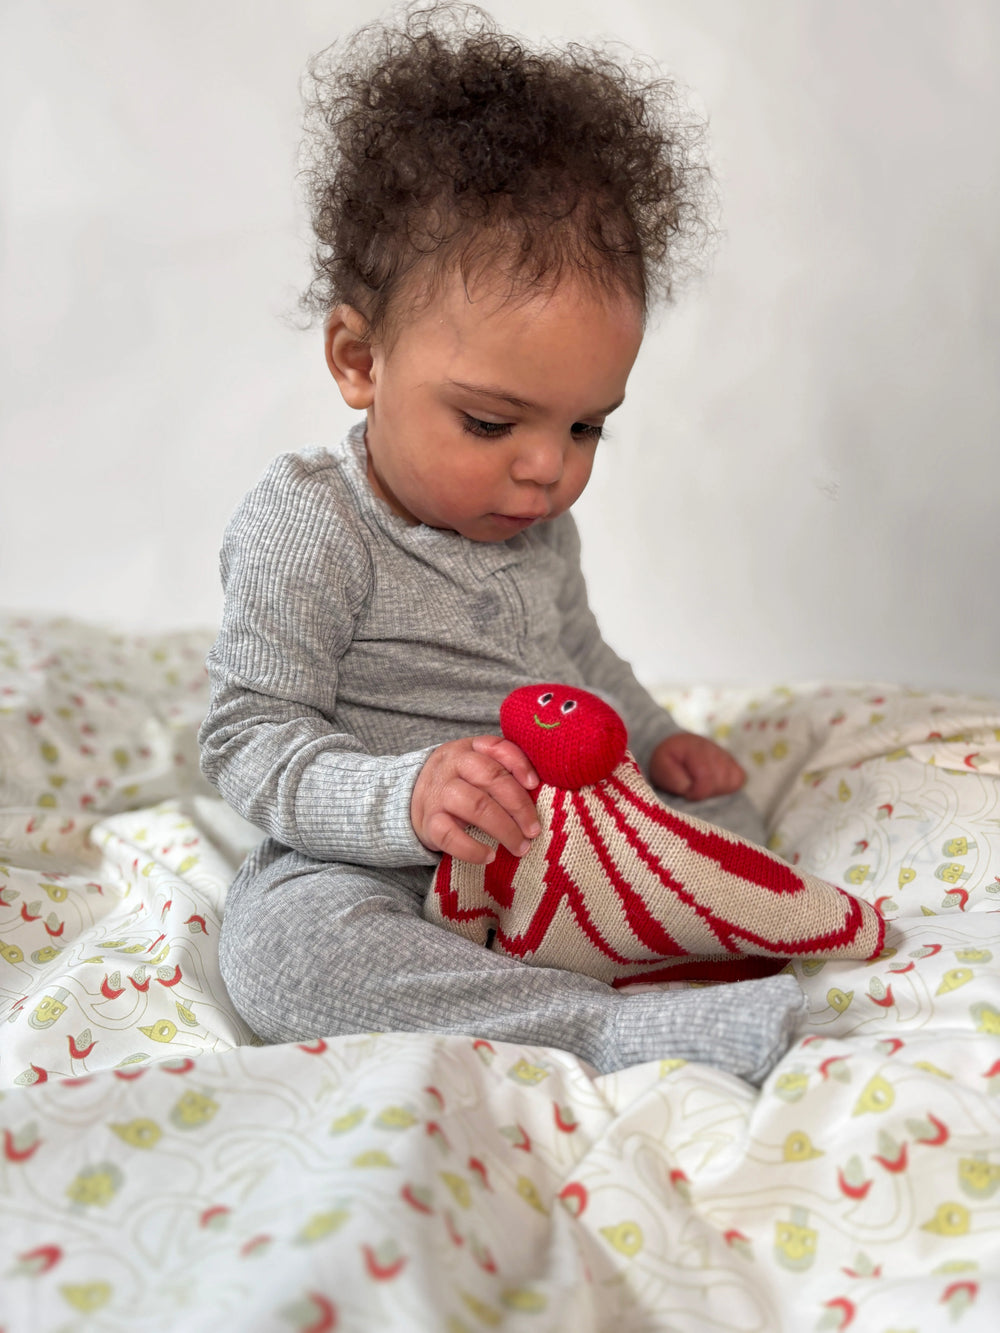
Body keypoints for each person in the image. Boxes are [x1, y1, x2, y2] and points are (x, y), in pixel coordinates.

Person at [199, 2, 804, 1082]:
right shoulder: (312, 524)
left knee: (726, 812)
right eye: (491, 422)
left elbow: (583, 658)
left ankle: (637, 939)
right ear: (357, 357)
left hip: (561, 844)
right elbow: (251, 737)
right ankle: (598, 1023)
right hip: (388, 860)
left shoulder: (537, 525)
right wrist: (405, 797)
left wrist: (658, 736)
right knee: (283, 953)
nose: (547, 469)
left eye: (585, 426)